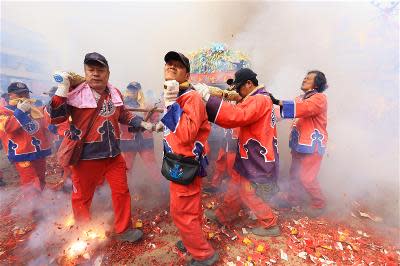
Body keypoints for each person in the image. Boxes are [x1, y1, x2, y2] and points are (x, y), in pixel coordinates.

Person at [46, 52, 153, 242]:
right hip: (86, 157)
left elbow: (124, 114)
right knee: (82, 198)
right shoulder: (74, 93)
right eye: (91, 69)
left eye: (100, 69)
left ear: (108, 73)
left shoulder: (115, 93)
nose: (96, 74)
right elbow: (56, 117)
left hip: (113, 155)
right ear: (85, 72)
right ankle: (83, 232)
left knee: (121, 192)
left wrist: (142, 123)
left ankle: (124, 229)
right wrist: (62, 88)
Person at [194, 68, 280, 236]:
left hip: (256, 153)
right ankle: (224, 215)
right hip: (250, 151)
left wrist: (208, 99)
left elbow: (237, 115)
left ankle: (270, 224)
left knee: (248, 190)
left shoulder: (258, 99)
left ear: (249, 83)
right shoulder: (260, 97)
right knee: (235, 184)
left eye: (240, 88)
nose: (239, 92)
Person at [156, 51, 218, 265]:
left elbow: (185, 135)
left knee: (182, 211)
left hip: (186, 163)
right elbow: (174, 128)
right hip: (181, 161)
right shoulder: (179, 95)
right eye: (168, 64)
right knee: (190, 208)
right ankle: (192, 238)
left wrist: (172, 103)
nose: (171, 67)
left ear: (187, 74)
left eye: (177, 65)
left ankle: (203, 255)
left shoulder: (190, 97)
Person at [270, 70, 328, 217]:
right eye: (304, 77)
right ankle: (293, 199)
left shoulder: (320, 98)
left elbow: (302, 109)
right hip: (298, 143)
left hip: (313, 144)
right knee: (294, 174)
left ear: (317, 84)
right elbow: (282, 112)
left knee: (306, 178)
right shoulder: (300, 98)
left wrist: (276, 101)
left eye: (308, 79)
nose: (304, 80)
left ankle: (319, 204)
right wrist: (263, 108)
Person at [0, 82, 52, 198]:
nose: (24, 96)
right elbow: (7, 127)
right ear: (10, 96)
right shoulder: (3, 111)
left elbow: (45, 123)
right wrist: (20, 111)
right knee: (31, 182)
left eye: (26, 93)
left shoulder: (34, 109)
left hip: (39, 151)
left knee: (41, 179)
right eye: (19, 94)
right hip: (21, 153)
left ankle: (41, 205)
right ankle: (33, 210)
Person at [120, 81, 162, 190]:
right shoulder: (122, 106)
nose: (132, 92)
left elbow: (155, 120)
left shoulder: (148, 105)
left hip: (145, 140)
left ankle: (162, 189)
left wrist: (152, 126)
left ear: (139, 91)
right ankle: (124, 191)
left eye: (135, 90)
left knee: (152, 166)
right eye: (130, 89)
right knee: (126, 167)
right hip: (127, 140)